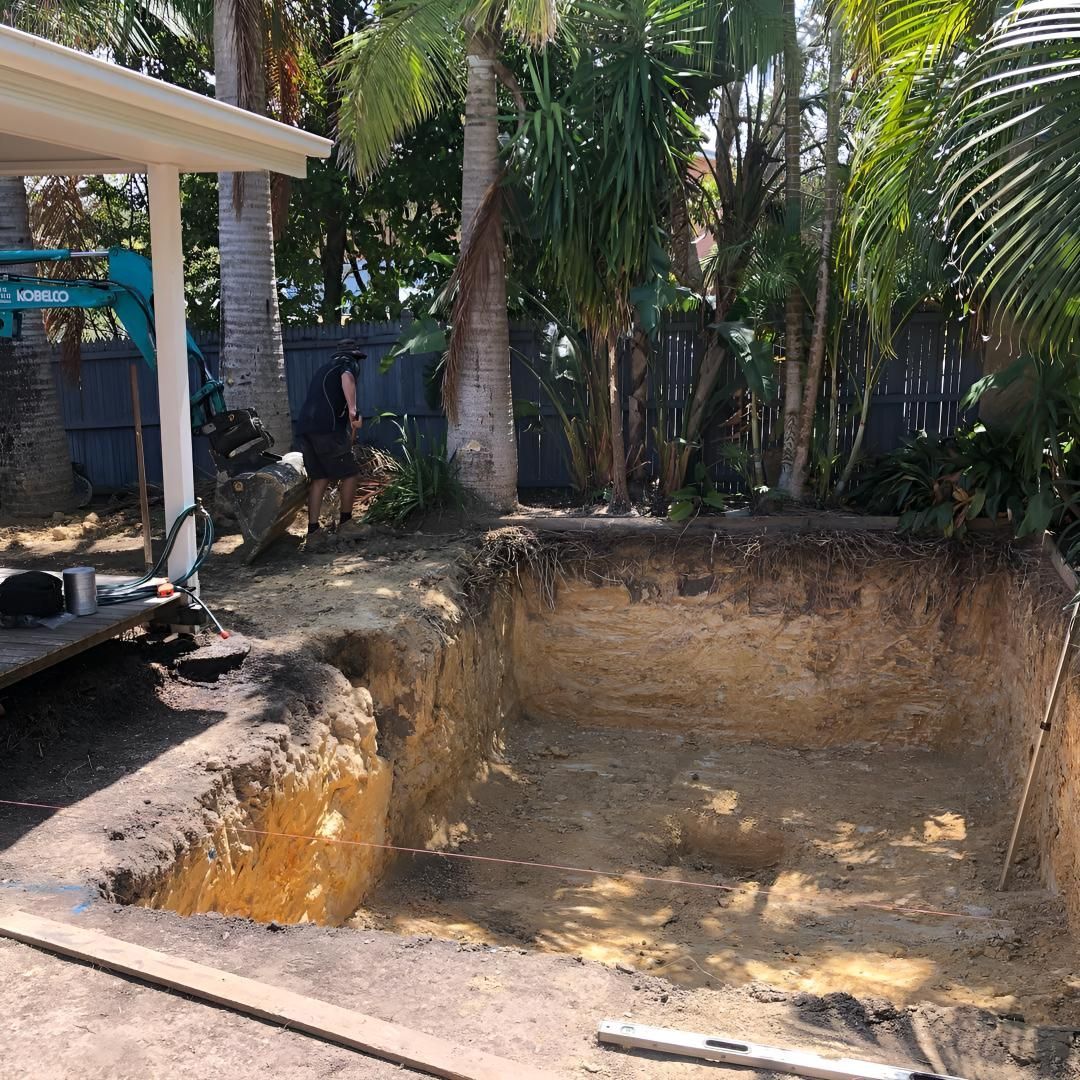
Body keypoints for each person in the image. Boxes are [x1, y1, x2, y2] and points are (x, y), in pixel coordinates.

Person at [295, 344, 369, 549]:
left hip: (306, 429)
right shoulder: (346, 365)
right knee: (351, 474)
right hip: (326, 430)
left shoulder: (324, 369)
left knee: (319, 478)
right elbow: (348, 378)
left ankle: (313, 533)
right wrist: (354, 412)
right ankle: (346, 524)